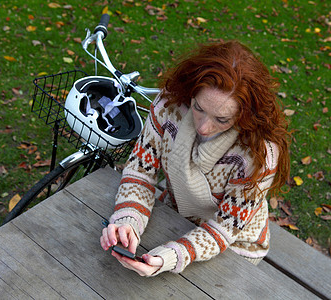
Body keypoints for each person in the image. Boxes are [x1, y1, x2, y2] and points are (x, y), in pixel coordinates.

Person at [100, 40, 290, 276]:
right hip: (175, 211)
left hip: (235, 244)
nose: (203, 127)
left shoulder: (259, 155)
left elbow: (223, 229)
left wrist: (169, 257)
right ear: (191, 89)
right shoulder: (168, 105)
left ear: (246, 115)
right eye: (198, 107)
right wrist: (128, 220)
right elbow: (140, 171)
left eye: (222, 120)